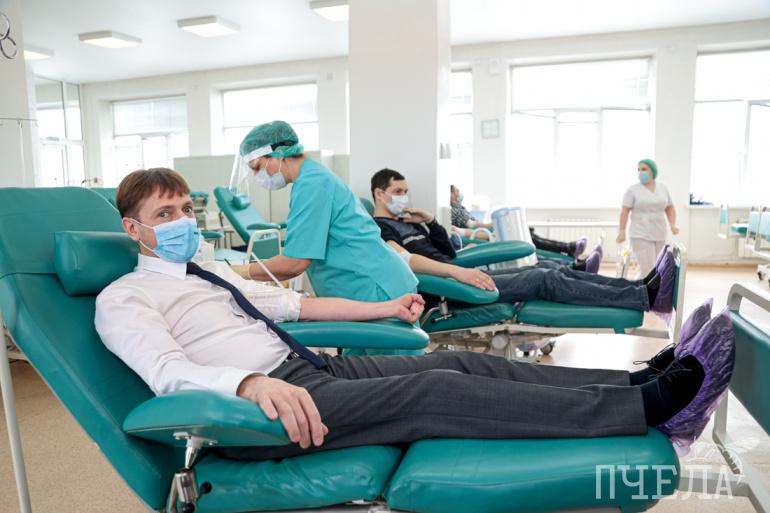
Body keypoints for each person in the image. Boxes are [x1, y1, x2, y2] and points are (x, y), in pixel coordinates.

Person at [95, 167, 732, 462]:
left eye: (185, 209)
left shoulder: (212, 273)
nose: (181, 222)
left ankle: (633, 381)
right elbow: (166, 372)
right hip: (259, 411)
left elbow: (299, 304)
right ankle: (644, 409)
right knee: (435, 389)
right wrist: (248, 384)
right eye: (164, 215)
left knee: (458, 361)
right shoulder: (123, 298)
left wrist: (386, 306)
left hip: (308, 368)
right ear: (133, 229)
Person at [228, 121, 419, 355]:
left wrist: (238, 271)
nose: (258, 176)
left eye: (258, 167)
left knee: (397, 373)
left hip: (376, 289)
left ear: (278, 154)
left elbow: (294, 263)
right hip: (366, 290)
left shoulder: (312, 184)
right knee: (363, 370)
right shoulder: (311, 178)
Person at [372, 169, 673, 313]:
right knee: (543, 279)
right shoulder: (379, 228)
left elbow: (448, 252)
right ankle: (642, 297)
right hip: (446, 292)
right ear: (379, 194)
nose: (403, 197)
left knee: (552, 270)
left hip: (459, 277)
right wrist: (456, 272)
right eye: (398, 192)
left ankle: (639, 288)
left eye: (405, 191)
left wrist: (430, 221)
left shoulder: (409, 221)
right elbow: (405, 261)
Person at [450, 184, 592, 262]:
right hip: (486, 237)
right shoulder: (453, 211)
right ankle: (570, 254)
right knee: (530, 246)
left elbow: (474, 224)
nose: (458, 193)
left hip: (487, 234)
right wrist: (494, 228)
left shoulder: (459, 207)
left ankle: (569, 250)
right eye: (455, 191)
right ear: (450, 194)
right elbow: (472, 227)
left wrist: (494, 226)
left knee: (529, 234)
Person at [617, 159, 679, 278]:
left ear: (653, 171)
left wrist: (672, 224)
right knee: (647, 269)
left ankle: (649, 289)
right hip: (639, 233)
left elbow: (670, 207)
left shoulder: (662, 188)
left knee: (659, 267)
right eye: (638, 170)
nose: (640, 172)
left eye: (644, 169)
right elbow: (624, 211)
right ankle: (640, 288)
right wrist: (622, 230)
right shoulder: (632, 190)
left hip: (659, 232)